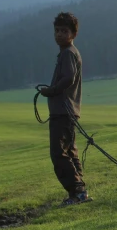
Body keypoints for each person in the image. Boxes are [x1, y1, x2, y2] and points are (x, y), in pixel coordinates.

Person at [39, 12, 92, 205]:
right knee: (70, 151)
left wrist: (51, 91)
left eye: (64, 31)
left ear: (73, 34)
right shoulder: (67, 52)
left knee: (58, 152)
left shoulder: (69, 53)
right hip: (67, 111)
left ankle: (76, 191)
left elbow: (68, 78)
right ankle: (80, 191)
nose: (59, 34)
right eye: (57, 31)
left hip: (63, 111)